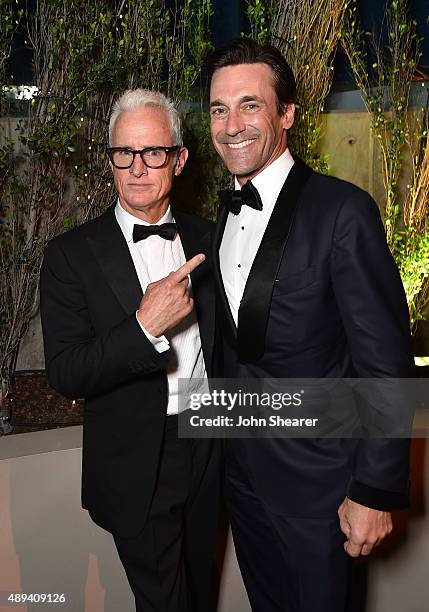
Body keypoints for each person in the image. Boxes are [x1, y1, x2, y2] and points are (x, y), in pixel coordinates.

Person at [208, 38, 414, 611]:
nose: (232, 125)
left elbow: (385, 362)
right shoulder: (219, 214)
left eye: (250, 105)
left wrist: (373, 489)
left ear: (287, 115)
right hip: (242, 479)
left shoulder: (343, 211)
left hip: (323, 486)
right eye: (219, 109)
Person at [40, 89, 220, 612]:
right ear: (111, 159)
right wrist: (144, 328)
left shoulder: (210, 237)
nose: (137, 167)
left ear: (180, 159)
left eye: (153, 152)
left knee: (201, 585)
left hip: (211, 438)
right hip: (139, 461)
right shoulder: (71, 256)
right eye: (124, 153)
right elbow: (68, 372)